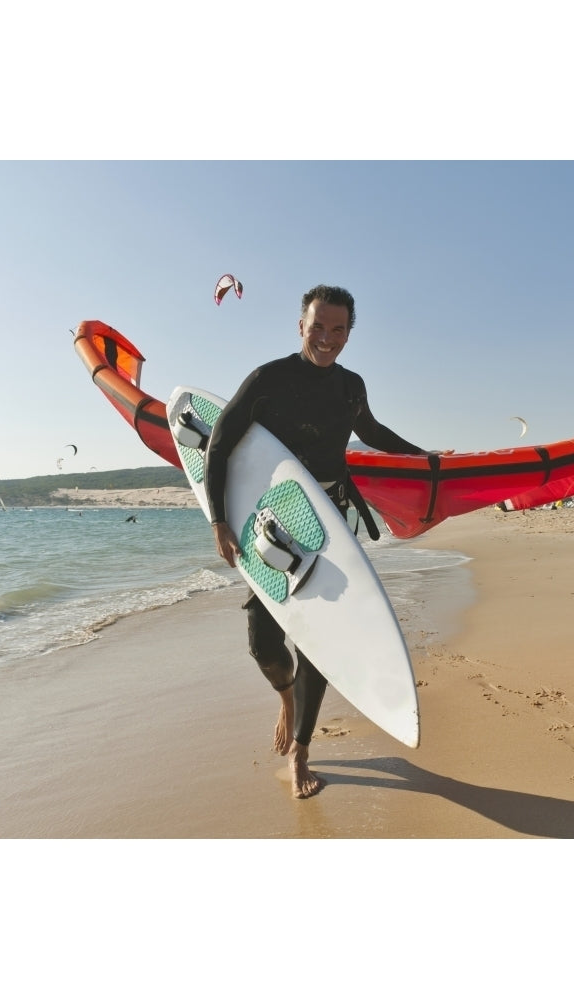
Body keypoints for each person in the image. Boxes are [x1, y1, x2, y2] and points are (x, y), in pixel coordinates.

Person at [204, 284, 426, 799]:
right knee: (263, 639)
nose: (327, 338)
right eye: (318, 327)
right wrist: (218, 519)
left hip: (329, 523)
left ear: (350, 332)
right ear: (300, 325)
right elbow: (219, 442)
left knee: (317, 640)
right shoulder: (268, 379)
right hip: (272, 522)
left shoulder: (350, 386)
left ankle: (303, 748)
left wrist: (425, 457)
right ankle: (286, 696)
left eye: (339, 329)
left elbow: (369, 431)